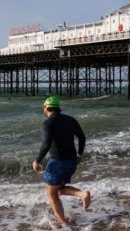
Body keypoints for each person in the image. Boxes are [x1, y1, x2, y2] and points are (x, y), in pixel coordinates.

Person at [32, 96, 91, 225]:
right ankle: (82, 194)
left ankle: (63, 223)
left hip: (58, 162)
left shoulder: (48, 123)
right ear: (58, 108)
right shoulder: (70, 120)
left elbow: (46, 144)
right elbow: (82, 137)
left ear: (47, 108)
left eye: (44, 108)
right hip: (71, 161)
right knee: (59, 189)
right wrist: (79, 154)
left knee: (52, 194)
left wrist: (38, 160)